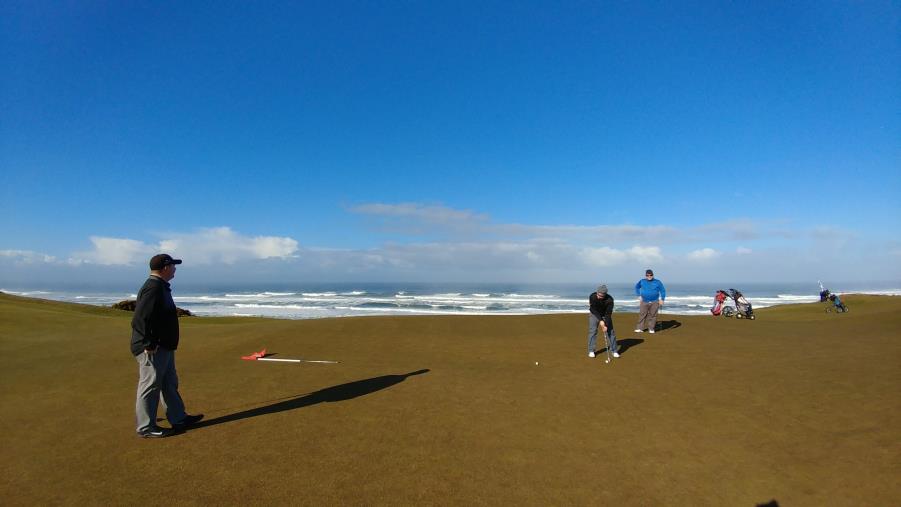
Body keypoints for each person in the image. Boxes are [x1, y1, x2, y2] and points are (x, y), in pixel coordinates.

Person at [131, 254, 203, 438]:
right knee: (150, 386)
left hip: (165, 346)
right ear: (165, 267)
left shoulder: (160, 286)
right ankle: (146, 427)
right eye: (173, 266)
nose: (175, 269)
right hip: (153, 348)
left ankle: (178, 418)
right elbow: (140, 319)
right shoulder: (153, 287)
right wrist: (149, 343)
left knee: (169, 383)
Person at [588, 284, 619, 359]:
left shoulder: (610, 300)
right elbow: (593, 309)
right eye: (598, 295)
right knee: (593, 331)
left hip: (605, 315)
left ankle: (614, 351)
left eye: (601, 296)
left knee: (610, 332)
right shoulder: (592, 296)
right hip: (594, 314)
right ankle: (591, 350)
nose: (599, 297)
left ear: (605, 295)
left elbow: (608, 314)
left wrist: (605, 325)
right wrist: (601, 321)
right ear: (597, 292)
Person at [635, 269, 666, 333]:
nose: (649, 276)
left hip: (655, 301)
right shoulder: (642, 281)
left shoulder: (658, 282)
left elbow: (662, 290)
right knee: (642, 314)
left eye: (650, 275)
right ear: (645, 275)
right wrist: (638, 295)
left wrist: (662, 299)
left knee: (653, 315)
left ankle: (651, 329)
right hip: (644, 301)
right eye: (647, 275)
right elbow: (637, 287)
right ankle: (640, 328)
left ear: (653, 275)